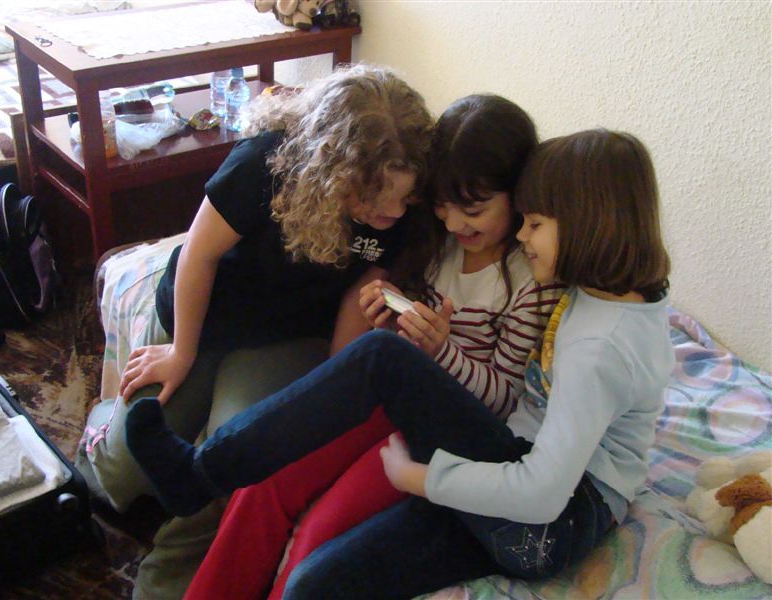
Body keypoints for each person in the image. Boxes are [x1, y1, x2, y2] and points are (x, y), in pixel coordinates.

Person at [125, 129, 675, 598]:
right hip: (523, 490)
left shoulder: (599, 343)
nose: (523, 236)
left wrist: (423, 478)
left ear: (589, 225)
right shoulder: (612, 293)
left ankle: (199, 474)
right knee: (316, 583)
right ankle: (201, 479)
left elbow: (541, 491)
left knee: (382, 360)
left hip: (551, 520)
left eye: (535, 224)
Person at [183, 94, 565, 600]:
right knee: (261, 485)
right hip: (387, 397)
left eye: (473, 210)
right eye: (442, 207)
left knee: (318, 533)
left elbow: (501, 402)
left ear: (516, 196)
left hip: (442, 429)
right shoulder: (436, 242)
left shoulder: (530, 279)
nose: (455, 224)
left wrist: (440, 351)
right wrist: (387, 309)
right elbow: (383, 324)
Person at [75, 63, 434, 514]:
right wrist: (182, 352)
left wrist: (331, 386)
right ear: (331, 172)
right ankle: (103, 424)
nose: (394, 212)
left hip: (283, 337)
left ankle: (175, 552)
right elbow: (199, 254)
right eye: (374, 200)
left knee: (235, 460)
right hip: (203, 317)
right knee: (124, 473)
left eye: (405, 198)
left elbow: (356, 294)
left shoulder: (398, 211)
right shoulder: (262, 163)